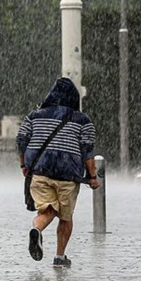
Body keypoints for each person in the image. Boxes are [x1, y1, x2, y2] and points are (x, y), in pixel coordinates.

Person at [16, 77, 99, 267]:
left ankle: (37, 229)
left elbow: (21, 141)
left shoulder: (34, 116)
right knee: (65, 217)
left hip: (40, 171)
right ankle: (60, 258)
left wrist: (23, 165)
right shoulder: (82, 120)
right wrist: (92, 177)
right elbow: (87, 151)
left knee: (47, 210)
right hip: (68, 176)